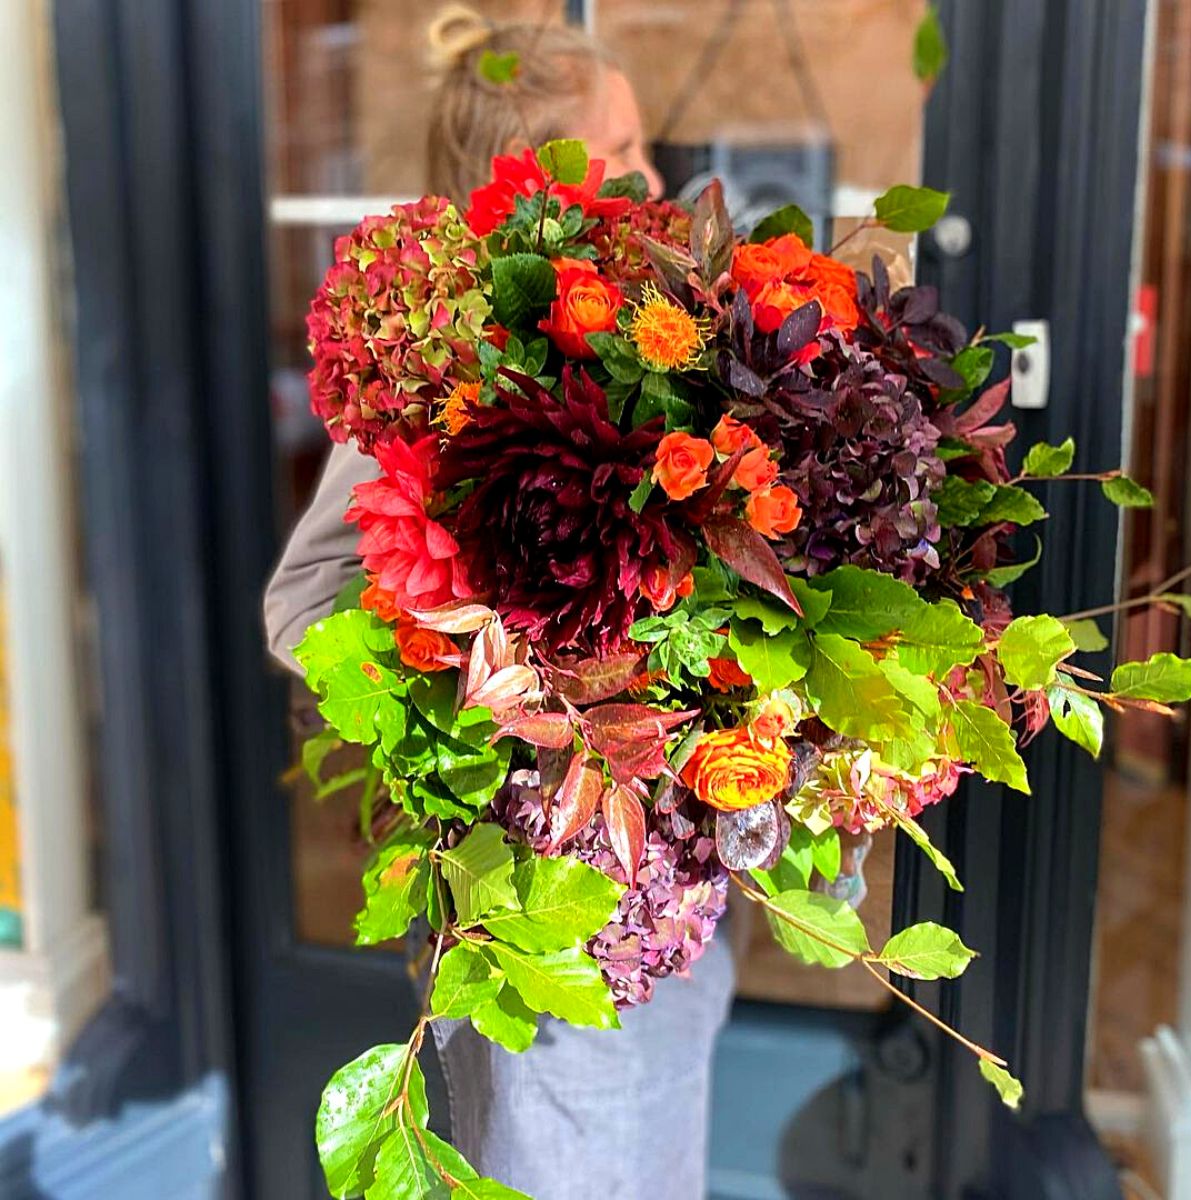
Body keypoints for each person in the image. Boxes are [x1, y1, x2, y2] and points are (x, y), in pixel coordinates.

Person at [263, 9, 733, 1200]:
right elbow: (305, 602)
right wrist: (476, 680)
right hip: (529, 906)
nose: (656, 177)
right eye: (620, 152)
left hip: (660, 897)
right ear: (531, 182)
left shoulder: (656, 345)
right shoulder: (451, 369)